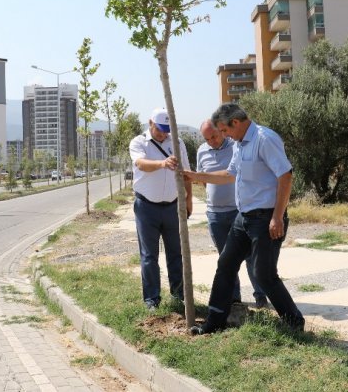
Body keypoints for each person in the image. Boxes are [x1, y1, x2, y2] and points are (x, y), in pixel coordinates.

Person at [184, 103, 305, 334]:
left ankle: (294, 322)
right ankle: (214, 322)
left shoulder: (264, 139)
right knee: (226, 264)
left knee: (263, 274)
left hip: (266, 217)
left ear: (236, 123)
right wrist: (194, 176)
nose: (224, 136)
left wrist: (277, 217)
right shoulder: (239, 145)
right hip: (244, 217)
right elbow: (229, 175)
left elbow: (286, 175)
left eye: (224, 130)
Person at [197, 119, 267, 308]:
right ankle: (234, 298)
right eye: (207, 138)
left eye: (214, 136)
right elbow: (203, 178)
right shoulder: (201, 151)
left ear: (221, 131)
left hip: (238, 211)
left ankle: (260, 294)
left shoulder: (236, 145)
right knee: (226, 258)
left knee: (251, 255)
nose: (211, 141)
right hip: (215, 215)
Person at [130, 107, 193, 311]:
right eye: (160, 129)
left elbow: (186, 172)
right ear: (150, 123)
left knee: (176, 253)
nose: (164, 134)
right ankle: (152, 300)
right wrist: (162, 163)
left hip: (173, 207)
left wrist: (189, 198)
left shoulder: (178, 143)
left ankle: (178, 295)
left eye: (167, 130)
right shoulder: (139, 142)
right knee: (149, 256)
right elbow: (140, 164)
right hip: (146, 207)